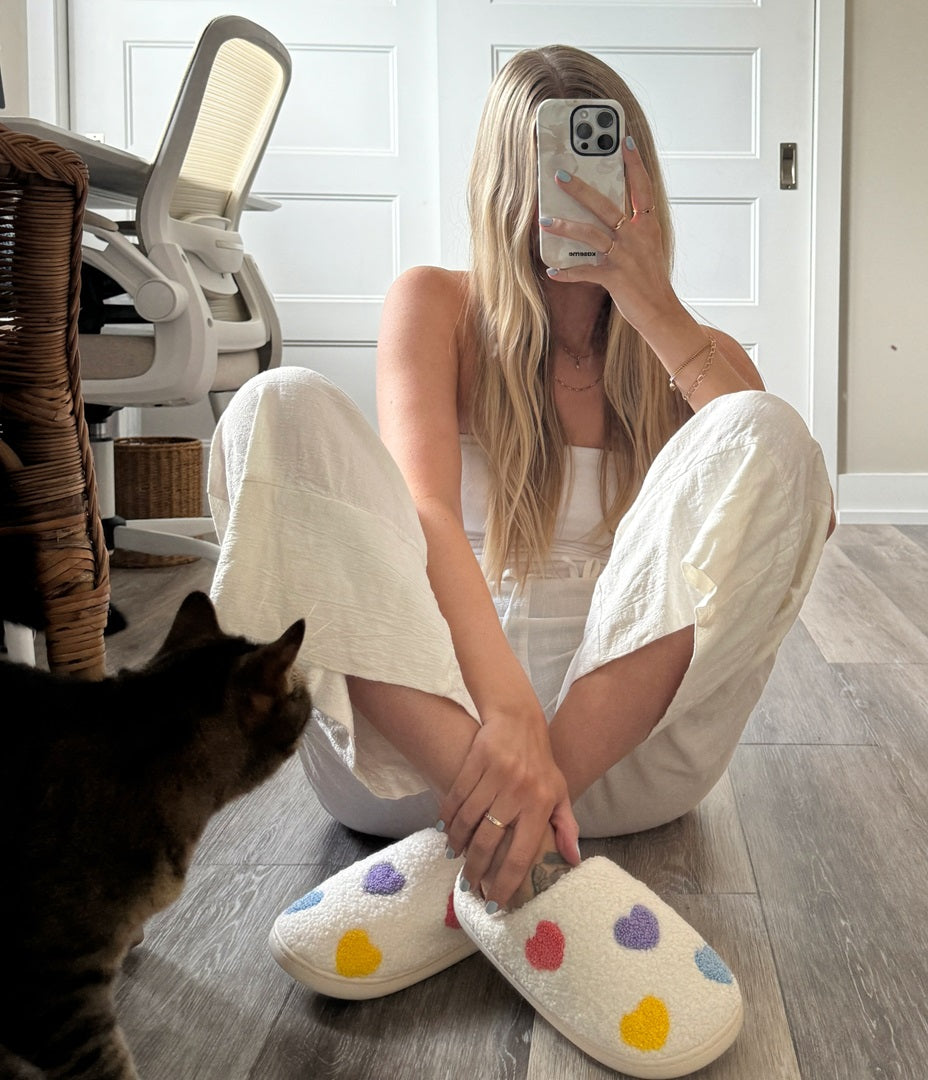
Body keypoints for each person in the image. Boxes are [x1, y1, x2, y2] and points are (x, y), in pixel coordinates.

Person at [207, 44, 833, 1055]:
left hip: (626, 763)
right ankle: (524, 853)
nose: (574, 185)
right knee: (273, 407)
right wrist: (501, 717)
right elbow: (426, 512)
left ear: (639, 180)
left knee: (768, 431)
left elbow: (800, 511)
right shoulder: (437, 306)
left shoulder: (698, 354)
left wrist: (652, 307)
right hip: (424, 748)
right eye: (552, 159)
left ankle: (491, 852)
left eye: (601, 158)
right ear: (509, 177)